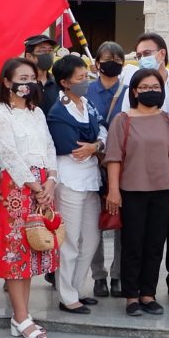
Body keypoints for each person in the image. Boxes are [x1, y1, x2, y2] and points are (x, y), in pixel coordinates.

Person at [0, 58, 59, 338]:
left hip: (42, 184)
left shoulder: (36, 112)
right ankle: (20, 316)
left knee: (31, 250)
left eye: (32, 78)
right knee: (16, 251)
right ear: (7, 81)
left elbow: (49, 146)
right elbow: (8, 154)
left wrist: (51, 180)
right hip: (18, 187)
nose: (28, 83)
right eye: (22, 78)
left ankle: (23, 314)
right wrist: (35, 186)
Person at [104, 68, 169, 315]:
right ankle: (131, 296)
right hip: (132, 191)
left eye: (156, 87)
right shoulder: (123, 120)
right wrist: (114, 191)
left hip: (162, 190)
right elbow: (114, 158)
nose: (151, 91)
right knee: (132, 245)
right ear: (135, 92)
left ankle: (148, 294)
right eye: (145, 87)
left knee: (155, 244)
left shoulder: (167, 120)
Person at [121, 32, 169, 299]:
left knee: (164, 239)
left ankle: (165, 287)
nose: (142, 59)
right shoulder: (126, 113)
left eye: (146, 54)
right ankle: (131, 293)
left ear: (162, 53)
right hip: (135, 182)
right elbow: (117, 152)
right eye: (138, 55)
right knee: (134, 242)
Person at [47, 54, 105, 314]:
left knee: (91, 239)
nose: (86, 81)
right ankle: (67, 295)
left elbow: (101, 130)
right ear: (65, 82)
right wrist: (93, 145)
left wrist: (96, 145)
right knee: (69, 241)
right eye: (80, 78)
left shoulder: (87, 104)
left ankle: (78, 287)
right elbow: (72, 147)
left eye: (86, 76)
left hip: (91, 180)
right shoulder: (58, 112)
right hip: (69, 180)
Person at [86, 41, 126, 298]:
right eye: (107, 58)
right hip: (92, 162)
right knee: (94, 223)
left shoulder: (129, 91)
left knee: (123, 223)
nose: (112, 63)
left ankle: (118, 274)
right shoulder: (87, 90)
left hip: (124, 164)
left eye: (117, 59)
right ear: (97, 62)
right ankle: (98, 275)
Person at [23, 34, 61, 114]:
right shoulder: (20, 85)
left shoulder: (59, 82)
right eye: (42, 51)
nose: (47, 54)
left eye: (50, 50)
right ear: (29, 56)